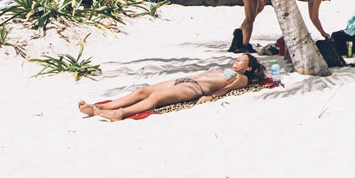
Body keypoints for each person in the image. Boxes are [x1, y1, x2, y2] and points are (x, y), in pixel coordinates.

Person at [78, 54, 268, 121]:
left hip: (195, 88)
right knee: (142, 91)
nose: (236, 61)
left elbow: (229, 88)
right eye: (237, 58)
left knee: (155, 99)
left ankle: (121, 113)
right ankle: (101, 107)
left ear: (248, 68)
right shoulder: (227, 69)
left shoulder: (241, 77)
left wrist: (212, 96)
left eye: (241, 60)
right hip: (183, 80)